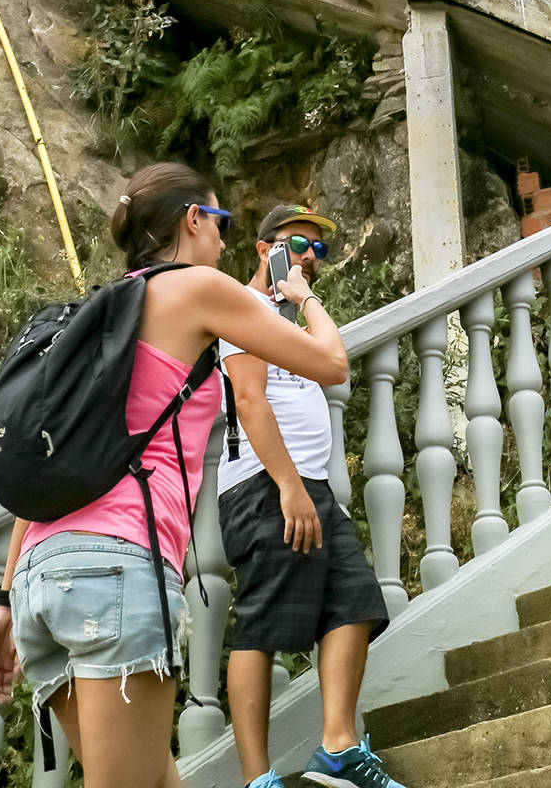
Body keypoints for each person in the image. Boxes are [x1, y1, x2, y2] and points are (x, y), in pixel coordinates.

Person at [0, 163, 348, 788]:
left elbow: (54, 467)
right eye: (221, 222)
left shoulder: (98, 315)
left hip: (43, 578)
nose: (226, 242)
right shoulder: (198, 288)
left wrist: (8, 601)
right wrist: (302, 297)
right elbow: (331, 364)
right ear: (193, 219)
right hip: (116, 571)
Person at [217, 203, 398, 788]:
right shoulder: (237, 310)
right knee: (263, 623)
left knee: (356, 603)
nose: (310, 259)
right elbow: (249, 401)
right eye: (298, 245)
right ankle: (256, 779)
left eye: (318, 250)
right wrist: (289, 486)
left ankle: (339, 748)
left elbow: (334, 365)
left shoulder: (287, 320)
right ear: (263, 248)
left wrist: (302, 299)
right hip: (264, 486)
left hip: (309, 486)